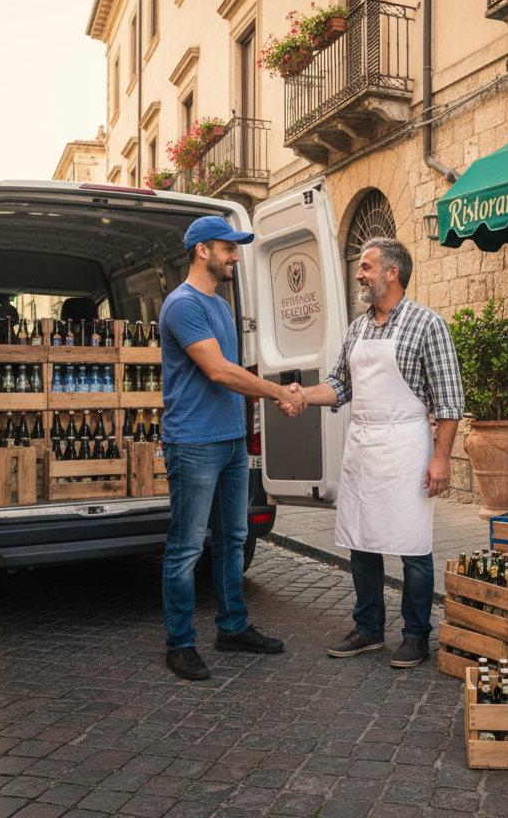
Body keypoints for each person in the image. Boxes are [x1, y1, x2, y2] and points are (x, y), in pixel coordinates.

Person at [280, 237, 464, 668]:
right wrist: (305, 394)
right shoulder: (357, 328)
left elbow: (450, 401)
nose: (359, 274)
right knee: (361, 542)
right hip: (362, 447)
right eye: (361, 267)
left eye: (366, 267)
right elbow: (339, 385)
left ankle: (417, 635)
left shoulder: (427, 324)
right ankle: (368, 629)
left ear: (391, 273)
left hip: (406, 448)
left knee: (414, 547)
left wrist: (441, 459)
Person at [159, 215, 306, 680]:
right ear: (202, 249)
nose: (236, 256)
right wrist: (279, 392)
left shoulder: (220, 307)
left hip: (230, 441)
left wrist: (263, 401)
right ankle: (180, 644)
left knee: (233, 540)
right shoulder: (182, 305)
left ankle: (232, 627)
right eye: (229, 248)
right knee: (186, 548)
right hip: (193, 442)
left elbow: (234, 375)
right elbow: (220, 371)